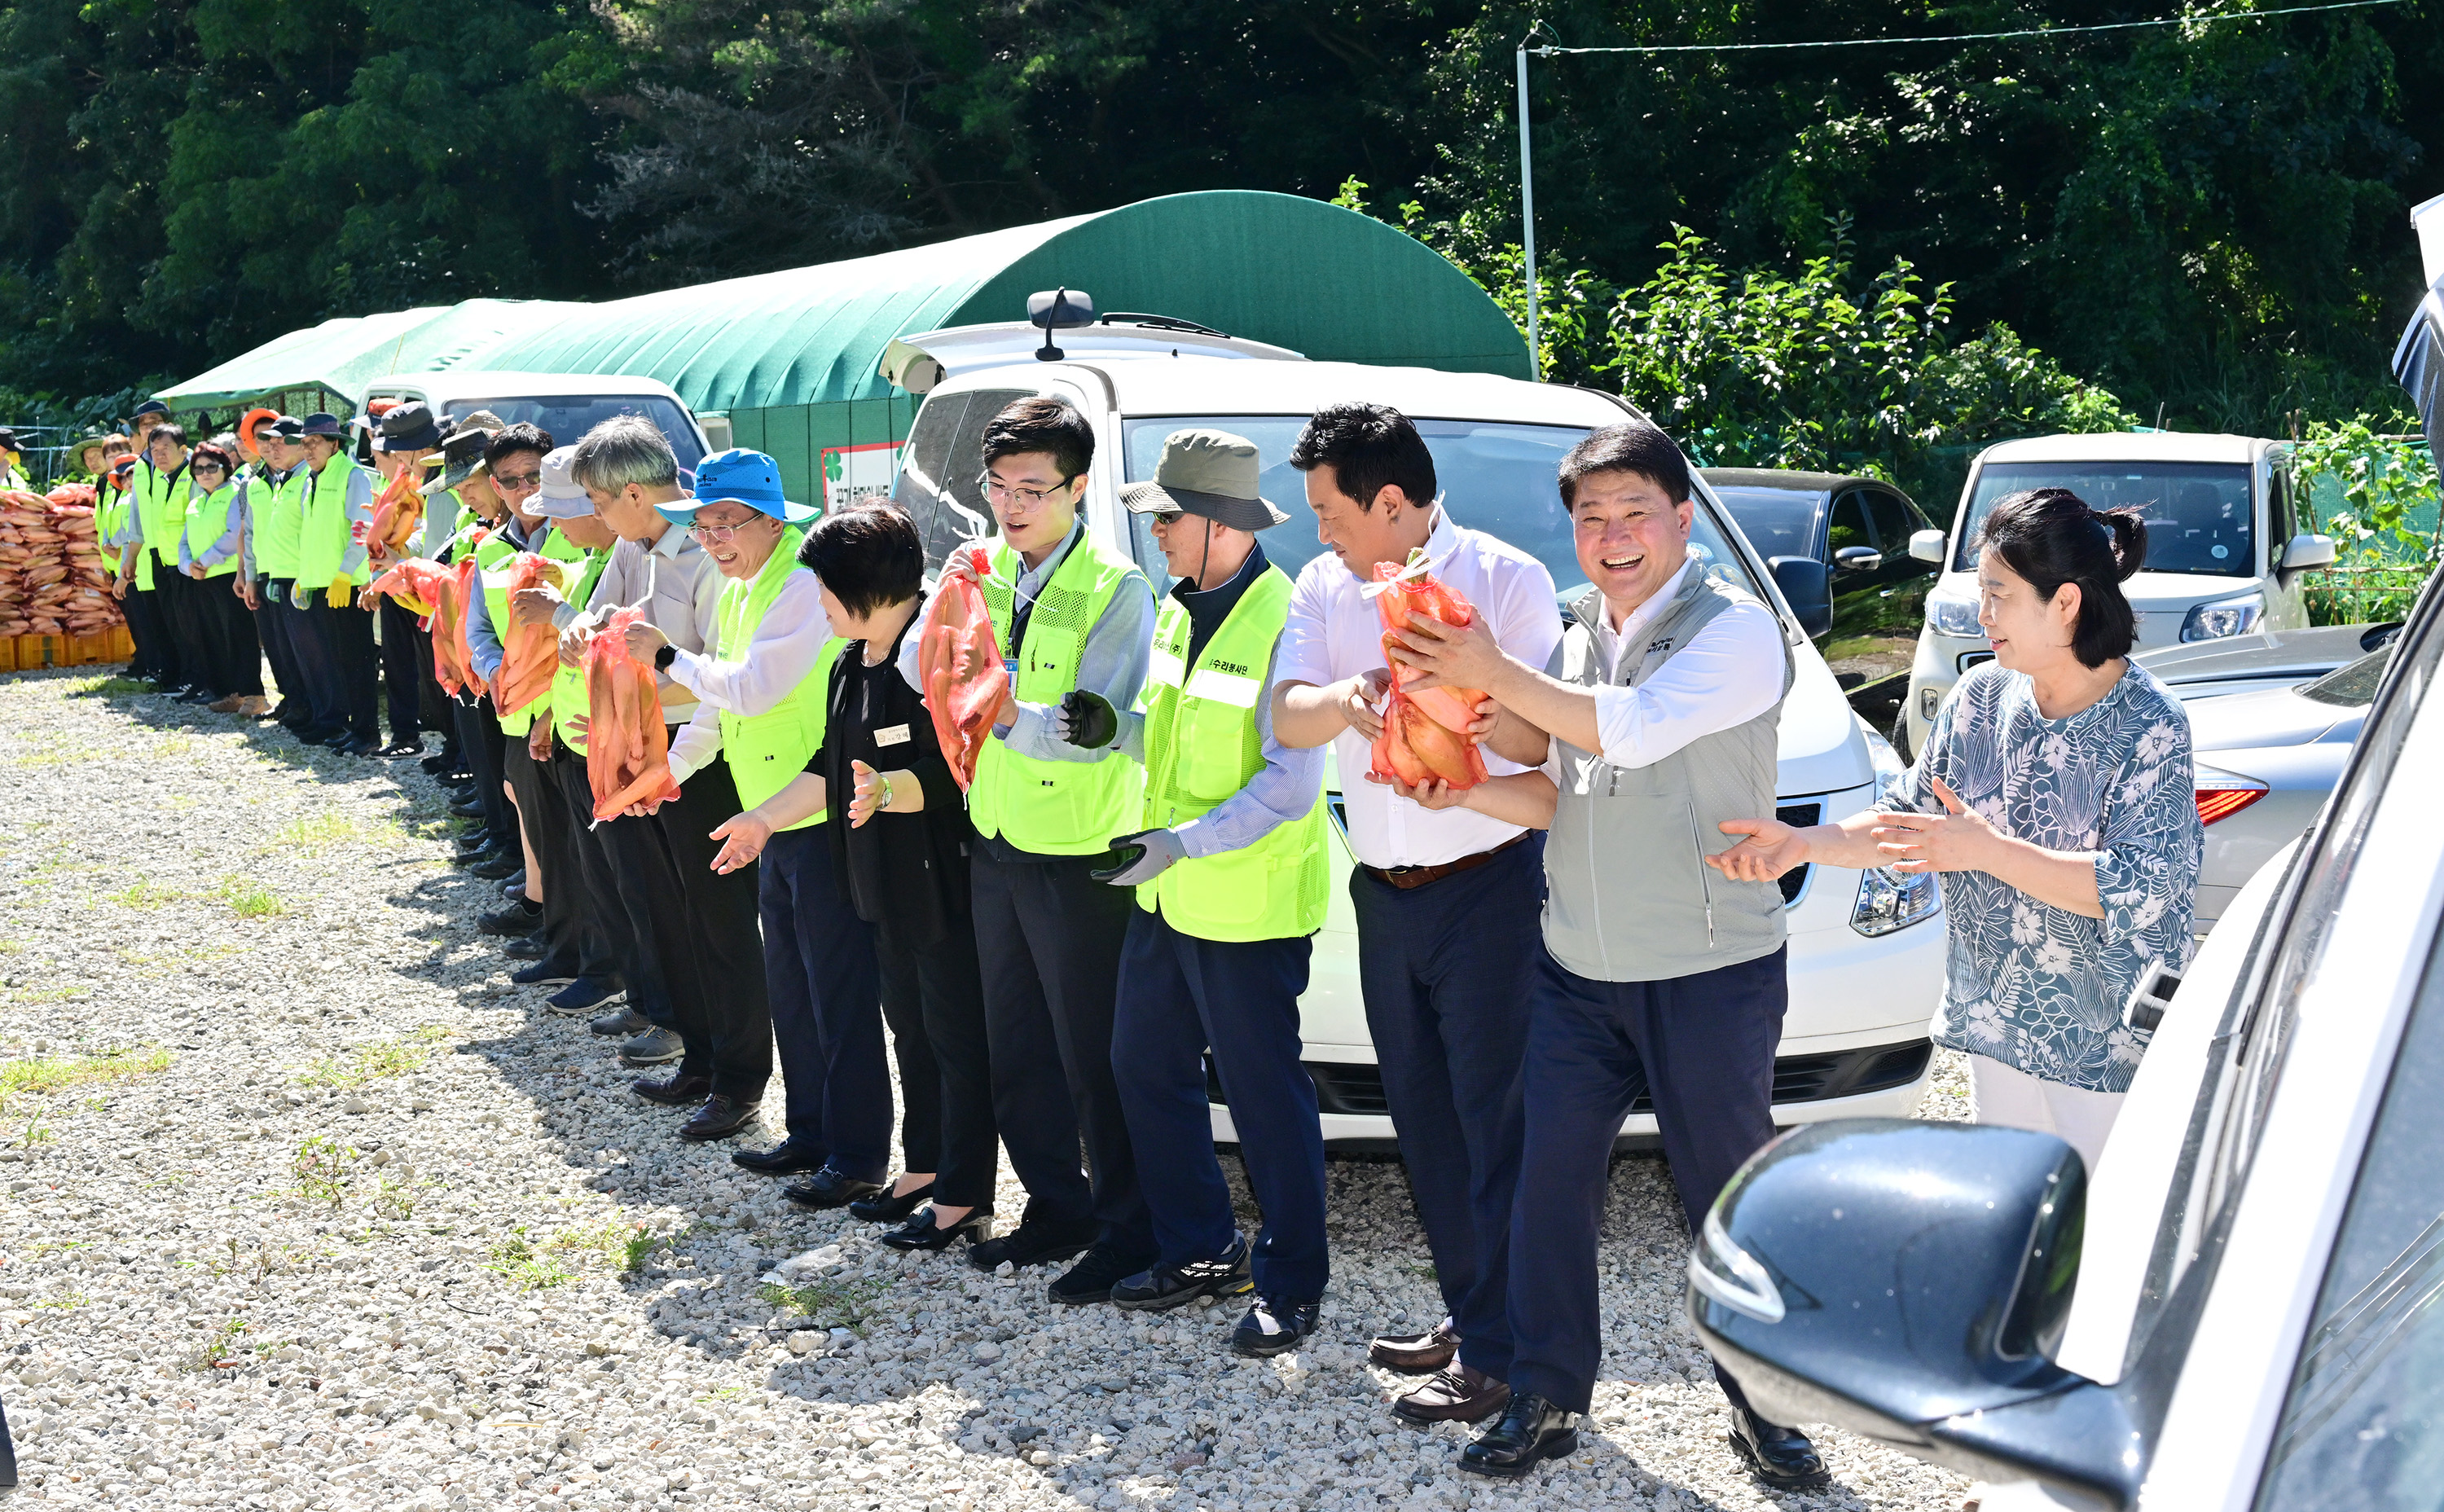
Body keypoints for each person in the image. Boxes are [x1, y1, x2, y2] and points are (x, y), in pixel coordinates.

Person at [1382, 420, 1820, 1487]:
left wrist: (1491, 668)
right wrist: (1462, 784)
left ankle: (1765, 1409)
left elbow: (1629, 729)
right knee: (1543, 1189)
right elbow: (1558, 792)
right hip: (1578, 970)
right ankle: (1545, 1396)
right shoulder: (1577, 638)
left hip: (1708, 973)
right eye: (1592, 518)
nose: (1614, 536)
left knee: (1726, 1200)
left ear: (1683, 518)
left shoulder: (1740, 632)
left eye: (1636, 514)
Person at [1708, 487, 2200, 1171]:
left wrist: (1987, 851)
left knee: (2104, 1242)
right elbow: (1911, 825)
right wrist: (1803, 845)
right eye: (1982, 592)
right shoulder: (1980, 697)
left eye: (1999, 594)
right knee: (2021, 1233)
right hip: (2001, 1027)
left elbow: (2138, 891)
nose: (1982, 614)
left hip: (2108, 1044)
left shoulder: (2150, 723)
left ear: (2065, 602)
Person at [1270, 402, 1562, 1423]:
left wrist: (1465, 698)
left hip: (1487, 884)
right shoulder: (1324, 586)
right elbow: (1287, 712)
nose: (1320, 532)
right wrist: (1354, 698)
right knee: (1426, 1125)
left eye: (1329, 510)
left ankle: (1506, 1351)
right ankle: (1472, 1315)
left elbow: (1544, 746)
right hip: (1384, 891)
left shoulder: (1507, 580)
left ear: (1390, 501)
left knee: (1497, 1122)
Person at [895, 395, 1158, 1303]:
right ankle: (1057, 1204)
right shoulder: (979, 569)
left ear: (1080, 488)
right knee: (1016, 1044)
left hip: (1078, 850)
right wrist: (948, 622)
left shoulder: (1117, 588)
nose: (1012, 505)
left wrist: (1008, 710)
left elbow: (1106, 720)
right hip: (998, 837)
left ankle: (1131, 1227)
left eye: (1034, 489)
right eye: (998, 486)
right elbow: (915, 670)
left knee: (1094, 1052)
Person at [1085, 430, 1334, 1356]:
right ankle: (1201, 1248)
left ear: (1220, 523)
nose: (1153, 530)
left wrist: (1179, 842)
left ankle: (1293, 1284)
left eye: (1166, 516)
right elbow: (1179, 732)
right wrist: (1119, 729)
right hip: (1170, 895)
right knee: (1142, 1063)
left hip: (1247, 906)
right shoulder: (1178, 607)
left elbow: (1288, 786)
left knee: (1267, 1099)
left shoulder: (1287, 622)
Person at [706, 503, 997, 1249]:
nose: (819, 602)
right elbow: (830, 772)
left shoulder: (929, 658)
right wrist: (763, 821)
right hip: (879, 885)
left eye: (827, 589)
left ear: (864, 588)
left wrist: (893, 789)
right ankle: (925, 1168)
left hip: (941, 881)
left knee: (955, 1039)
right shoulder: (849, 663)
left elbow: (960, 766)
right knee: (911, 1032)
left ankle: (967, 1193)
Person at [618, 448, 833, 1147]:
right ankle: (803, 1129)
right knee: (789, 979)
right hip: (765, 802)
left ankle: (834, 1136)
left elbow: (751, 687)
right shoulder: (743, 582)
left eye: (726, 525)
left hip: (813, 805)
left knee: (822, 987)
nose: (713, 541)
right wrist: (673, 771)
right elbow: (719, 706)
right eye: (702, 528)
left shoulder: (798, 583)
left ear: (772, 521)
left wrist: (665, 656)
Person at [555, 415, 724, 1072]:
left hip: (695, 747)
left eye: (598, 502)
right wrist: (580, 632)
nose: (596, 516)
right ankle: (675, 1020)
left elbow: (713, 671)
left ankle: (704, 1038)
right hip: (637, 739)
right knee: (649, 888)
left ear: (635, 494)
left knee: (694, 901)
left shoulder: (709, 550)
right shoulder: (631, 545)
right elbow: (602, 612)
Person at [466, 423, 622, 1007]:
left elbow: (583, 630)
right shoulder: (487, 547)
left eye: (535, 475)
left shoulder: (581, 542)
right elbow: (478, 628)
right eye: (510, 480)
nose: (523, 488)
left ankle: (602, 964)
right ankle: (562, 951)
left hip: (562, 713)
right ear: (496, 485)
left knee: (588, 845)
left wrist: (546, 705)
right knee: (547, 841)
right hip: (517, 714)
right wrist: (492, 670)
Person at [512, 446, 633, 1018]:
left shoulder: (624, 561)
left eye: (562, 511)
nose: (553, 525)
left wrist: (560, 614)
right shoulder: (597, 560)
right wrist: (549, 719)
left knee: (618, 877)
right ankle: (611, 973)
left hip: (610, 744)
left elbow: (609, 645)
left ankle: (623, 981)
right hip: (578, 736)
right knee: (596, 870)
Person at [288, 411, 383, 756]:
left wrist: (345, 574)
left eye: (315, 443)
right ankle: (353, 728)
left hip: (347, 585)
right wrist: (304, 576)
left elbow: (361, 530)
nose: (308, 449)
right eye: (304, 443)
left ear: (334, 444)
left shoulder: (350, 474)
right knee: (338, 663)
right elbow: (313, 535)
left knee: (357, 664)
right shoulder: (311, 478)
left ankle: (367, 733)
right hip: (323, 586)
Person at [363, 401, 446, 758]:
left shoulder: (435, 477)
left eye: (397, 448)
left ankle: (452, 749)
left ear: (419, 448)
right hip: (403, 581)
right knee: (402, 662)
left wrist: (403, 556)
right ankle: (409, 737)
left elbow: (435, 534)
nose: (391, 454)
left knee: (434, 668)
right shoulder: (406, 475)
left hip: (426, 584)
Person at [174, 441, 266, 714]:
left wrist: (204, 561)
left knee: (240, 636)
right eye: (199, 468)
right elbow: (184, 540)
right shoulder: (195, 502)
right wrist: (188, 565)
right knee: (213, 636)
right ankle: (230, 692)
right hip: (201, 579)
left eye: (212, 467)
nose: (205, 473)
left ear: (225, 468)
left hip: (229, 576)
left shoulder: (234, 494)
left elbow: (233, 534)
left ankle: (254, 695)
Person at [237, 417, 311, 729]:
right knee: (278, 647)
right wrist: (250, 577)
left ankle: (307, 706)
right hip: (267, 572)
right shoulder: (254, 482)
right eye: (265, 440)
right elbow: (250, 533)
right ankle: (292, 701)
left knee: (300, 648)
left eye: (279, 440)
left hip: (294, 572)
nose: (271, 446)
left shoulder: (304, 477)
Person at [115, 420, 196, 697]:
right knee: (168, 623)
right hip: (157, 556)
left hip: (187, 560)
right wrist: (130, 558)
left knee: (189, 624)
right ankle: (176, 677)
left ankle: (195, 680)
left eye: (165, 447)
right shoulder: (145, 470)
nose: (159, 452)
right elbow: (139, 519)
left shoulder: (194, 470)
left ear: (182, 448)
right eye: (154, 446)